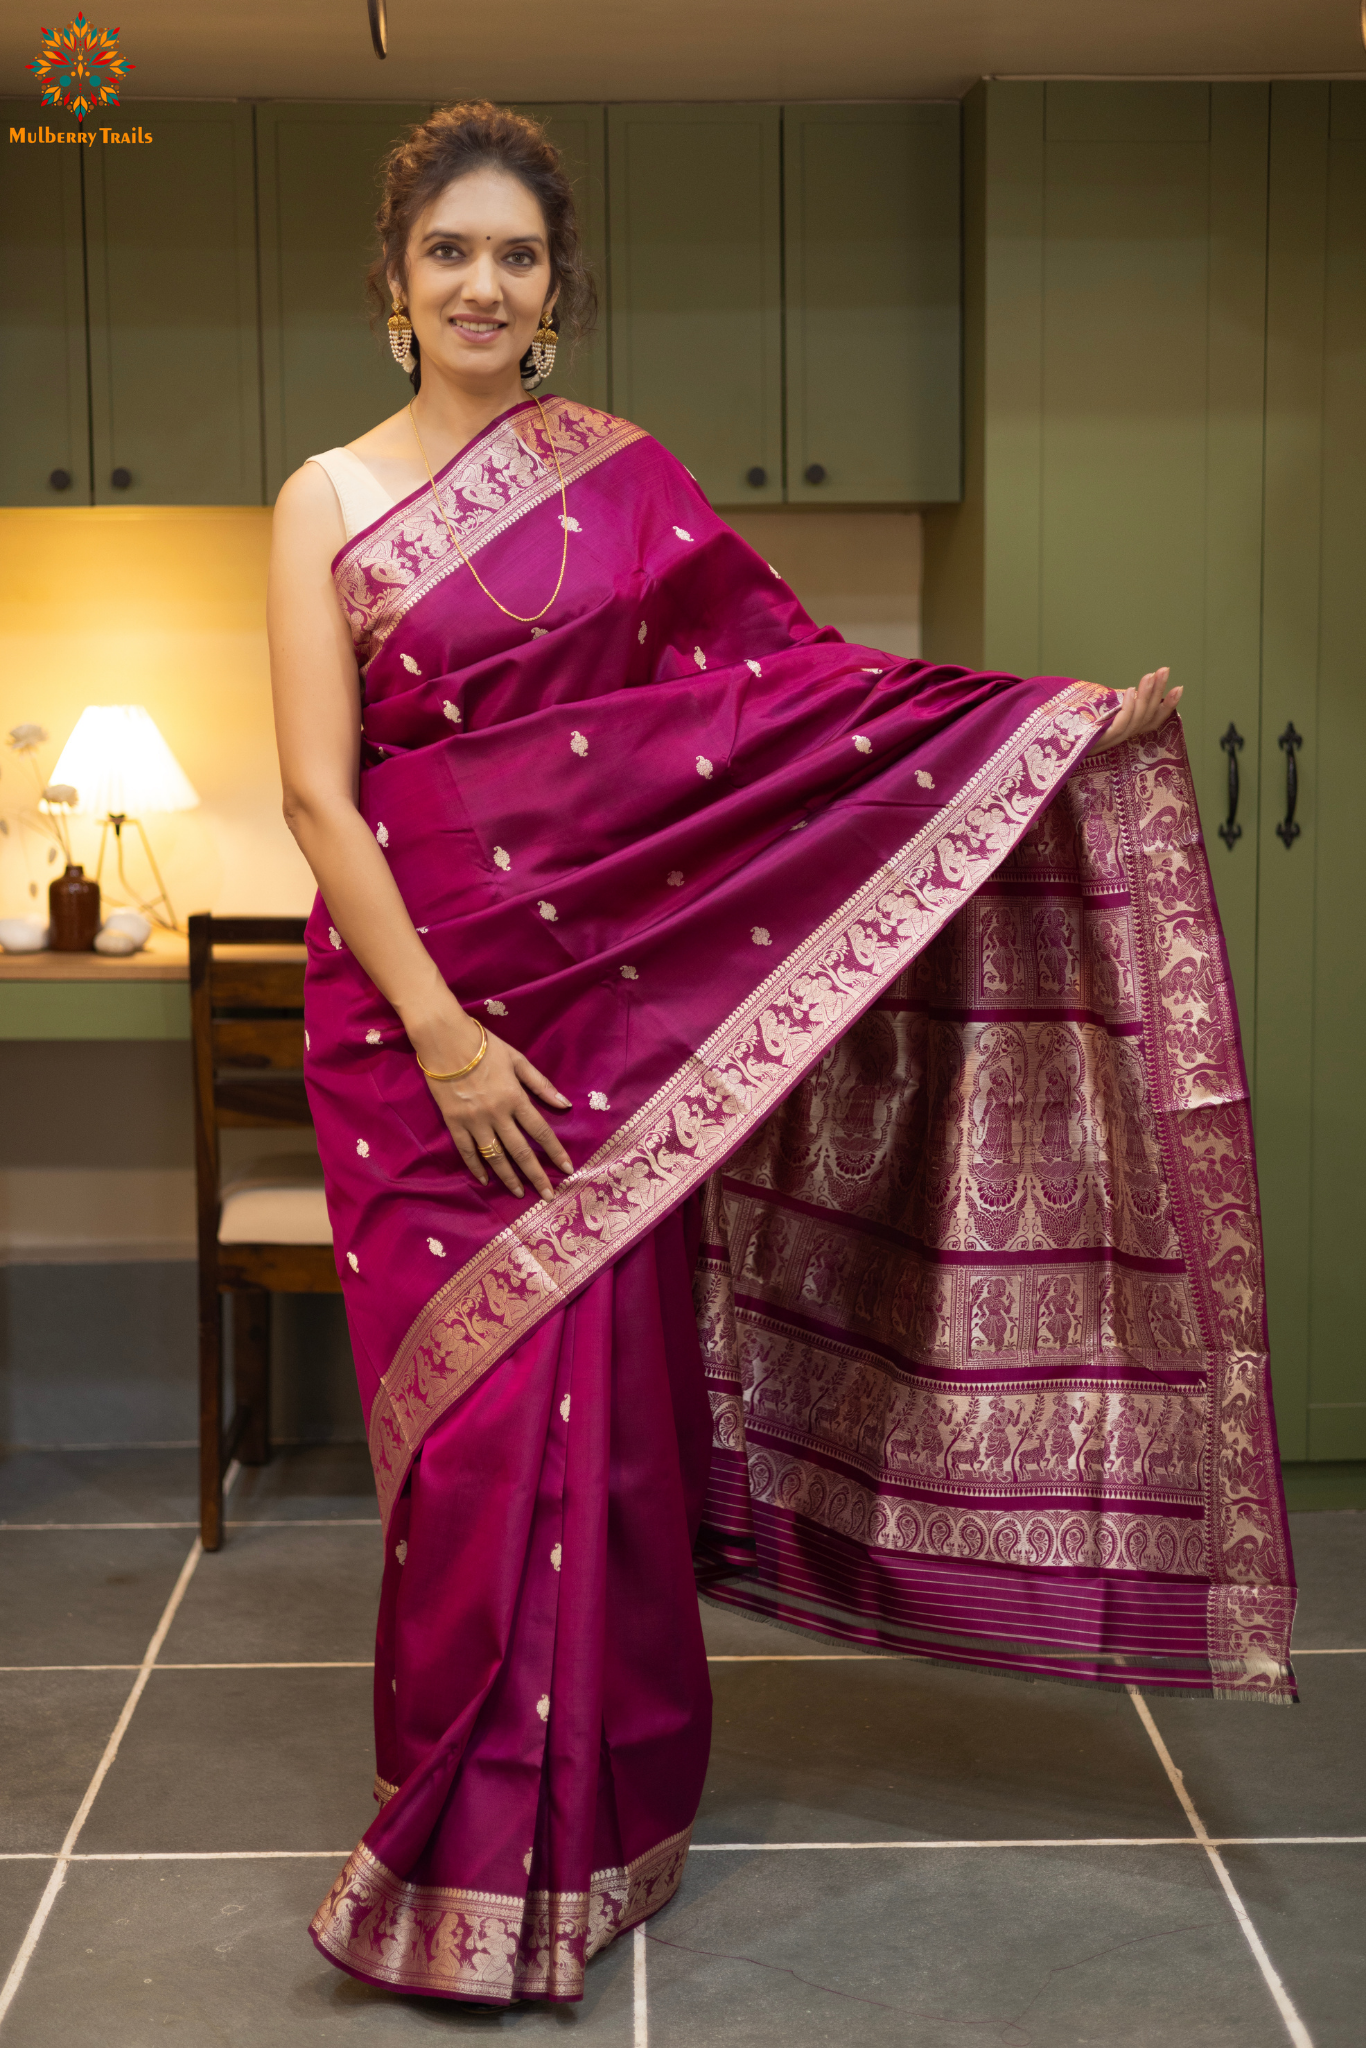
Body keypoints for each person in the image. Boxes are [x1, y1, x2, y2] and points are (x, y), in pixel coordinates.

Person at [268, 101, 1296, 2009]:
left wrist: (1048, 731)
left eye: (515, 257)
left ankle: (603, 1828)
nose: (481, 285)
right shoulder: (323, 498)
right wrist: (445, 1031)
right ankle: (460, 1844)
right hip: (421, 1029)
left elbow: (794, 698)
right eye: (447, 255)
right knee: (480, 1456)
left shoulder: (624, 481)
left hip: (608, 1029)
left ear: (554, 295)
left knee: (613, 1433)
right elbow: (319, 798)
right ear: (391, 288)